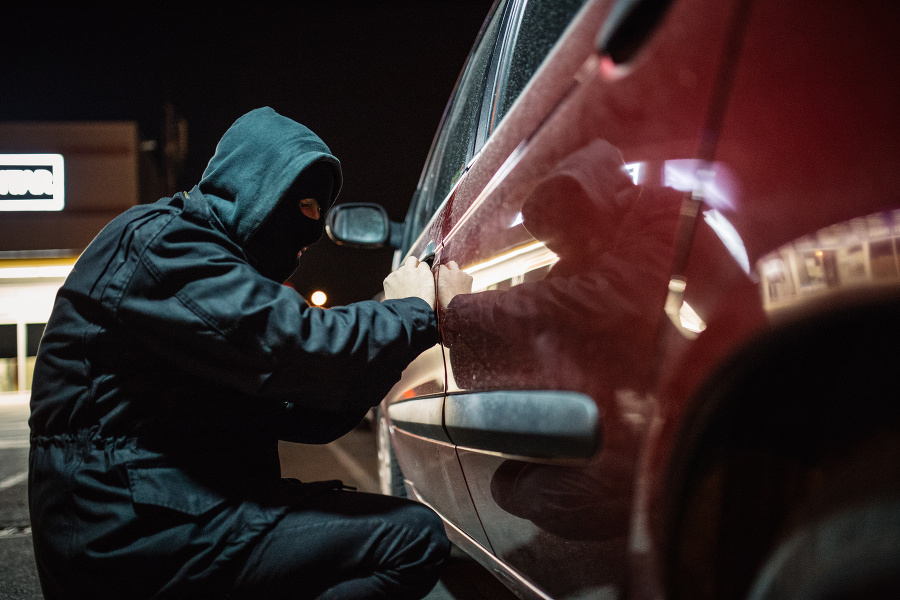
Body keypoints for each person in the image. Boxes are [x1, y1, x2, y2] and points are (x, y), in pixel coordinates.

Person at [28, 107, 471, 599]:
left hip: (158, 512)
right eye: (299, 205)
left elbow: (309, 407)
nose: (305, 237)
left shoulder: (207, 269)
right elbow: (299, 344)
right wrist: (410, 310)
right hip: (122, 534)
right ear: (253, 184)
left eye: (317, 218)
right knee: (408, 540)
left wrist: (393, 334)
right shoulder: (164, 244)